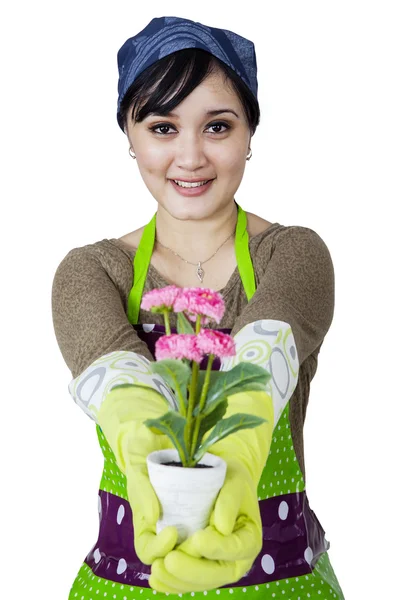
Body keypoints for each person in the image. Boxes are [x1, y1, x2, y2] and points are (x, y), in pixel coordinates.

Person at [51, 16, 346, 600]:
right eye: (162, 127)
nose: (190, 157)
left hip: (282, 585)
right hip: (128, 585)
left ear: (250, 135)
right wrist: (144, 449)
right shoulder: (90, 273)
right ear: (130, 138)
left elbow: (261, 365)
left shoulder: (294, 256)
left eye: (217, 126)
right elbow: (122, 391)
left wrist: (237, 455)